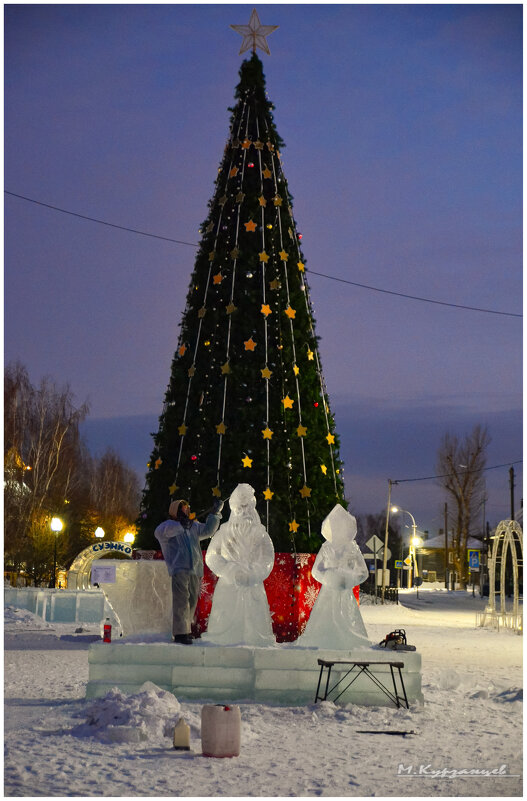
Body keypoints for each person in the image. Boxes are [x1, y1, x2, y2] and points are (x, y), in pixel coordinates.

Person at [155, 498, 223, 644]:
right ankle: (180, 634)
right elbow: (160, 533)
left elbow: (208, 530)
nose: (187, 509)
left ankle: (186, 630)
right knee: (181, 601)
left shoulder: (193, 526)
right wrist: (181, 526)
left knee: (191, 600)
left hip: (195, 569)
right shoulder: (168, 526)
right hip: (179, 568)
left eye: (187, 507)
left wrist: (215, 514)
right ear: (176, 510)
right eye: (183, 507)